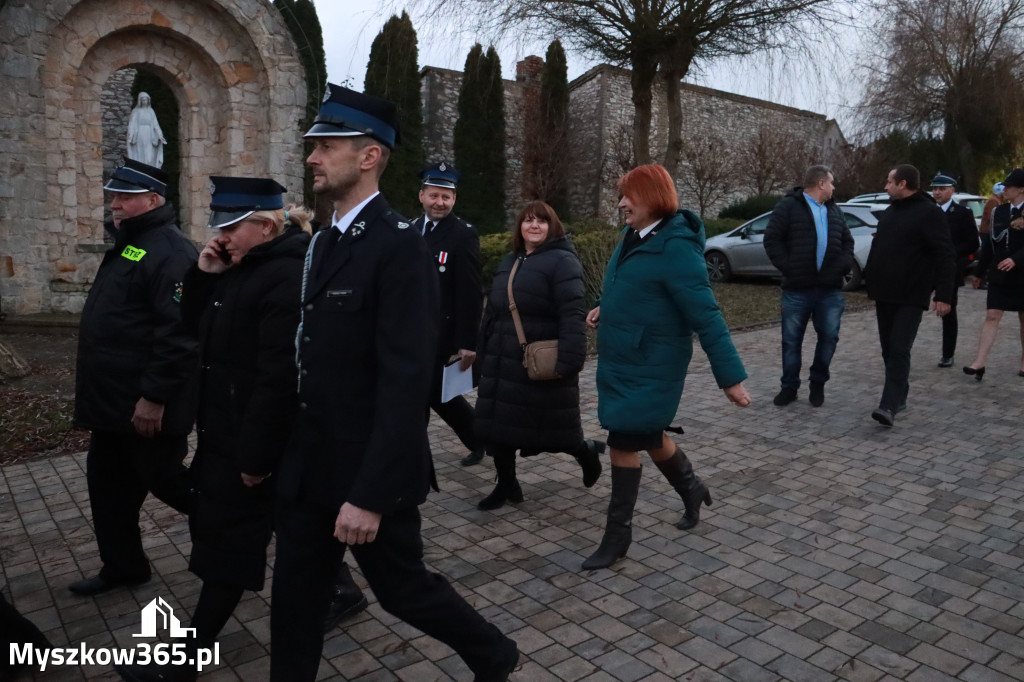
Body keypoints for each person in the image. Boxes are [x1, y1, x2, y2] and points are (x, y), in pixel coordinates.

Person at [270, 84, 518, 682]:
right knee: (295, 600)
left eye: (325, 146)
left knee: (403, 590)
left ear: (369, 155)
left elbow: (406, 380)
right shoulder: (325, 239)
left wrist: (371, 494)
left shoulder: (399, 246)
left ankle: (493, 654)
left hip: (366, 468)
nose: (312, 158)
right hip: (311, 462)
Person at [113, 178, 312, 682]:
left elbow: (276, 379)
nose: (219, 236)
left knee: (228, 548)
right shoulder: (241, 269)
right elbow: (198, 330)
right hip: (227, 432)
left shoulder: (285, 279)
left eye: (230, 226)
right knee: (253, 536)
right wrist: (205, 276)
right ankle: (339, 588)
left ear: (264, 226)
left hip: (252, 442)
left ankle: (183, 660)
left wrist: (255, 459)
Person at [583, 164, 751, 570]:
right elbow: (639, 287)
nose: (622, 203)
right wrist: (609, 306)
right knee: (649, 435)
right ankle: (692, 489)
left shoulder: (675, 246)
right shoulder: (634, 235)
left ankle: (616, 536)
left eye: (629, 196)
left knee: (622, 443)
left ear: (653, 198)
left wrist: (730, 377)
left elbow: (705, 314)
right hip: (624, 359)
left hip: (651, 365)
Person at [70, 158, 198, 596]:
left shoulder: (172, 251)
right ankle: (123, 566)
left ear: (153, 200)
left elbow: (179, 333)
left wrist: (155, 397)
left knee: (171, 484)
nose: (115, 204)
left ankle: (242, 529)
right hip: (112, 404)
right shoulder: (131, 245)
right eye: (114, 196)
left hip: (146, 407)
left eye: (125, 197)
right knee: (107, 490)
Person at [473, 200, 605, 510]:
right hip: (502, 360)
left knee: (554, 431)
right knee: (499, 429)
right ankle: (507, 486)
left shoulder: (562, 261)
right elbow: (493, 311)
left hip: (539, 362)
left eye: (542, 221)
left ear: (552, 226)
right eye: (528, 220)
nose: (534, 226)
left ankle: (585, 452)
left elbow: (572, 314)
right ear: (520, 226)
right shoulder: (510, 260)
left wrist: (570, 360)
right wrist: (481, 350)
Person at [863, 164, 955, 426]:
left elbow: (945, 255)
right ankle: (899, 394)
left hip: (912, 294)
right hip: (885, 293)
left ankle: (888, 406)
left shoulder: (929, 213)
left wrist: (944, 294)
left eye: (889, 182)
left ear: (903, 183)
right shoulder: (891, 211)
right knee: (888, 349)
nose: (885, 186)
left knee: (900, 348)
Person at [410, 162, 487, 467]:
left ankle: (413, 455)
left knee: (428, 392)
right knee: (435, 394)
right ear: (422, 196)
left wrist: (468, 341)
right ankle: (478, 438)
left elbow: (470, 291)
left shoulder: (463, 235)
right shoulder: (411, 229)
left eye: (446, 197)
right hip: (411, 330)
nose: (439, 203)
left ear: (454, 200)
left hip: (442, 333)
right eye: (434, 196)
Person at [763, 165, 854, 407]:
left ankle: (818, 381)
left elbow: (847, 241)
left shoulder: (834, 210)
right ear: (821, 184)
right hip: (797, 288)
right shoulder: (788, 206)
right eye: (832, 182)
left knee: (829, 337)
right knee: (791, 341)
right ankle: (789, 387)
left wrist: (843, 266)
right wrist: (789, 267)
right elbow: (772, 239)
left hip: (830, 290)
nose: (834, 187)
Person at [963, 168, 1024, 380]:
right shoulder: (1000, 210)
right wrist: (979, 273)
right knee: (992, 315)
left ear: (1021, 189)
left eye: (1009, 186)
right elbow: (990, 243)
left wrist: (1017, 259)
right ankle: (979, 362)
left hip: (1022, 274)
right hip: (1000, 272)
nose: (1004, 189)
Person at [929, 172, 979, 367]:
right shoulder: (927, 211)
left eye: (942, 189)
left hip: (949, 269)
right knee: (913, 307)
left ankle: (947, 353)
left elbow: (972, 243)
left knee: (948, 312)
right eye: (934, 189)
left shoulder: (962, 214)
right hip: (926, 268)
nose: (937, 192)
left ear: (952, 190)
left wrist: (951, 254)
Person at [126, 92, 167, 168]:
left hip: (149, 134)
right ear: (140, 101)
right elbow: (132, 124)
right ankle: (140, 167)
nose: (145, 102)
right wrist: (130, 135)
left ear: (148, 101)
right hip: (140, 134)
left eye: (146, 100)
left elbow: (155, 125)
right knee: (140, 151)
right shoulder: (136, 111)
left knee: (149, 153)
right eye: (143, 100)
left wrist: (160, 135)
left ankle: (148, 167)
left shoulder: (151, 111)